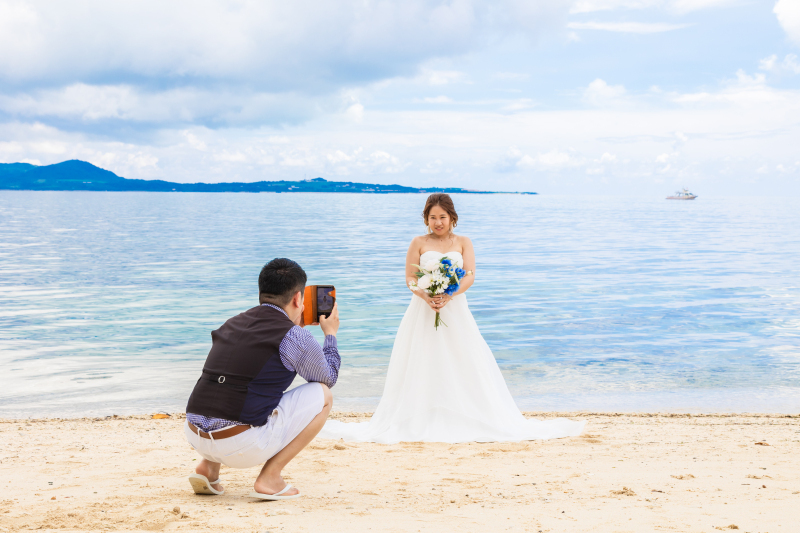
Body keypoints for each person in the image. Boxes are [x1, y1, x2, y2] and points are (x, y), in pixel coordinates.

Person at [319, 194, 584, 443]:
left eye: (442, 217)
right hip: (423, 309)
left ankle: (466, 411)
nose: (438, 222)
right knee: (423, 357)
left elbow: (470, 275)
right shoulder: (418, 242)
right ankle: (419, 413)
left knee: (463, 357)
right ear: (426, 219)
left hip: (455, 308)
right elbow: (409, 278)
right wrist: (425, 295)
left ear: (452, 218)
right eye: (433, 217)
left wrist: (450, 294)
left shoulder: (463, 242)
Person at [184, 258, 340, 500]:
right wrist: (330, 334)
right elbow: (327, 377)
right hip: (240, 445)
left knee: (234, 385)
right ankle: (270, 477)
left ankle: (208, 468)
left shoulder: (233, 322)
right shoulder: (295, 336)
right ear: (298, 299)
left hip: (195, 435)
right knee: (324, 395)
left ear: (262, 292)